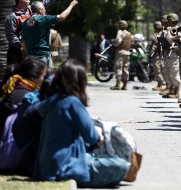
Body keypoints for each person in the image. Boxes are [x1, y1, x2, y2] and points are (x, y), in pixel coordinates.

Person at [32, 59, 140, 187]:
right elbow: (92, 136)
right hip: (65, 165)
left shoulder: (51, 101)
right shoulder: (72, 102)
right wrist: (99, 135)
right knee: (122, 165)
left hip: (45, 165)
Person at [0, 56, 47, 173]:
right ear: (33, 77)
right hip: (13, 153)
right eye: (43, 76)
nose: (45, 80)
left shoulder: (13, 86)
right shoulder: (27, 97)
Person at [5, 0, 66, 65]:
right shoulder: (12, 17)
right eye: (27, 0)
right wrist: (21, 47)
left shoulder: (31, 9)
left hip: (30, 50)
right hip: (17, 52)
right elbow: (11, 36)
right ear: (20, 2)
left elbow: (44, 3)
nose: (29, 1)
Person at [21, 0, 78, 68]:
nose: (45, 10)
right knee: (47, 77)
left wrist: (28, 55)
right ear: (40, 10)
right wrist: (71, 5)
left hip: (31, 58)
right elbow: (62, 17)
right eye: (44, 8)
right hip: (43, 57)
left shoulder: (25, 23)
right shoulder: (43, 19)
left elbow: (24, 41)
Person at [162, 13, 181, 99]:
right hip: (169, 53)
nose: (167, 22)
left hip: (174, 53)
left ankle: (177, 92)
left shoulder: (175, 29)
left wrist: (168, 32)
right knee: (171, 73)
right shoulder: (169, 29)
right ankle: (173, 90)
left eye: (169, 20)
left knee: (174, 74)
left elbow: (170, 40)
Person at [110, 20, 132, 90]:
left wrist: (113, 45)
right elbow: (132, 42)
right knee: (126, 68)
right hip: (127, 52)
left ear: (121, 26)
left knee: (118, 68)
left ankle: (117, 84)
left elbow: (118, 41)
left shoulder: (120, 32)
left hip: (120, 51)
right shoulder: (129, 33)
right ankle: (125, 85)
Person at [147, 21, 166, 91]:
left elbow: (152, 47)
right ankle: (161, 84)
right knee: (163, 70)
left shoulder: (156, 36)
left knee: (157, 70)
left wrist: (150, 55)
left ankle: (161, 85)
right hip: (164, 55)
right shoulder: (164, 34)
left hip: (157, 55)